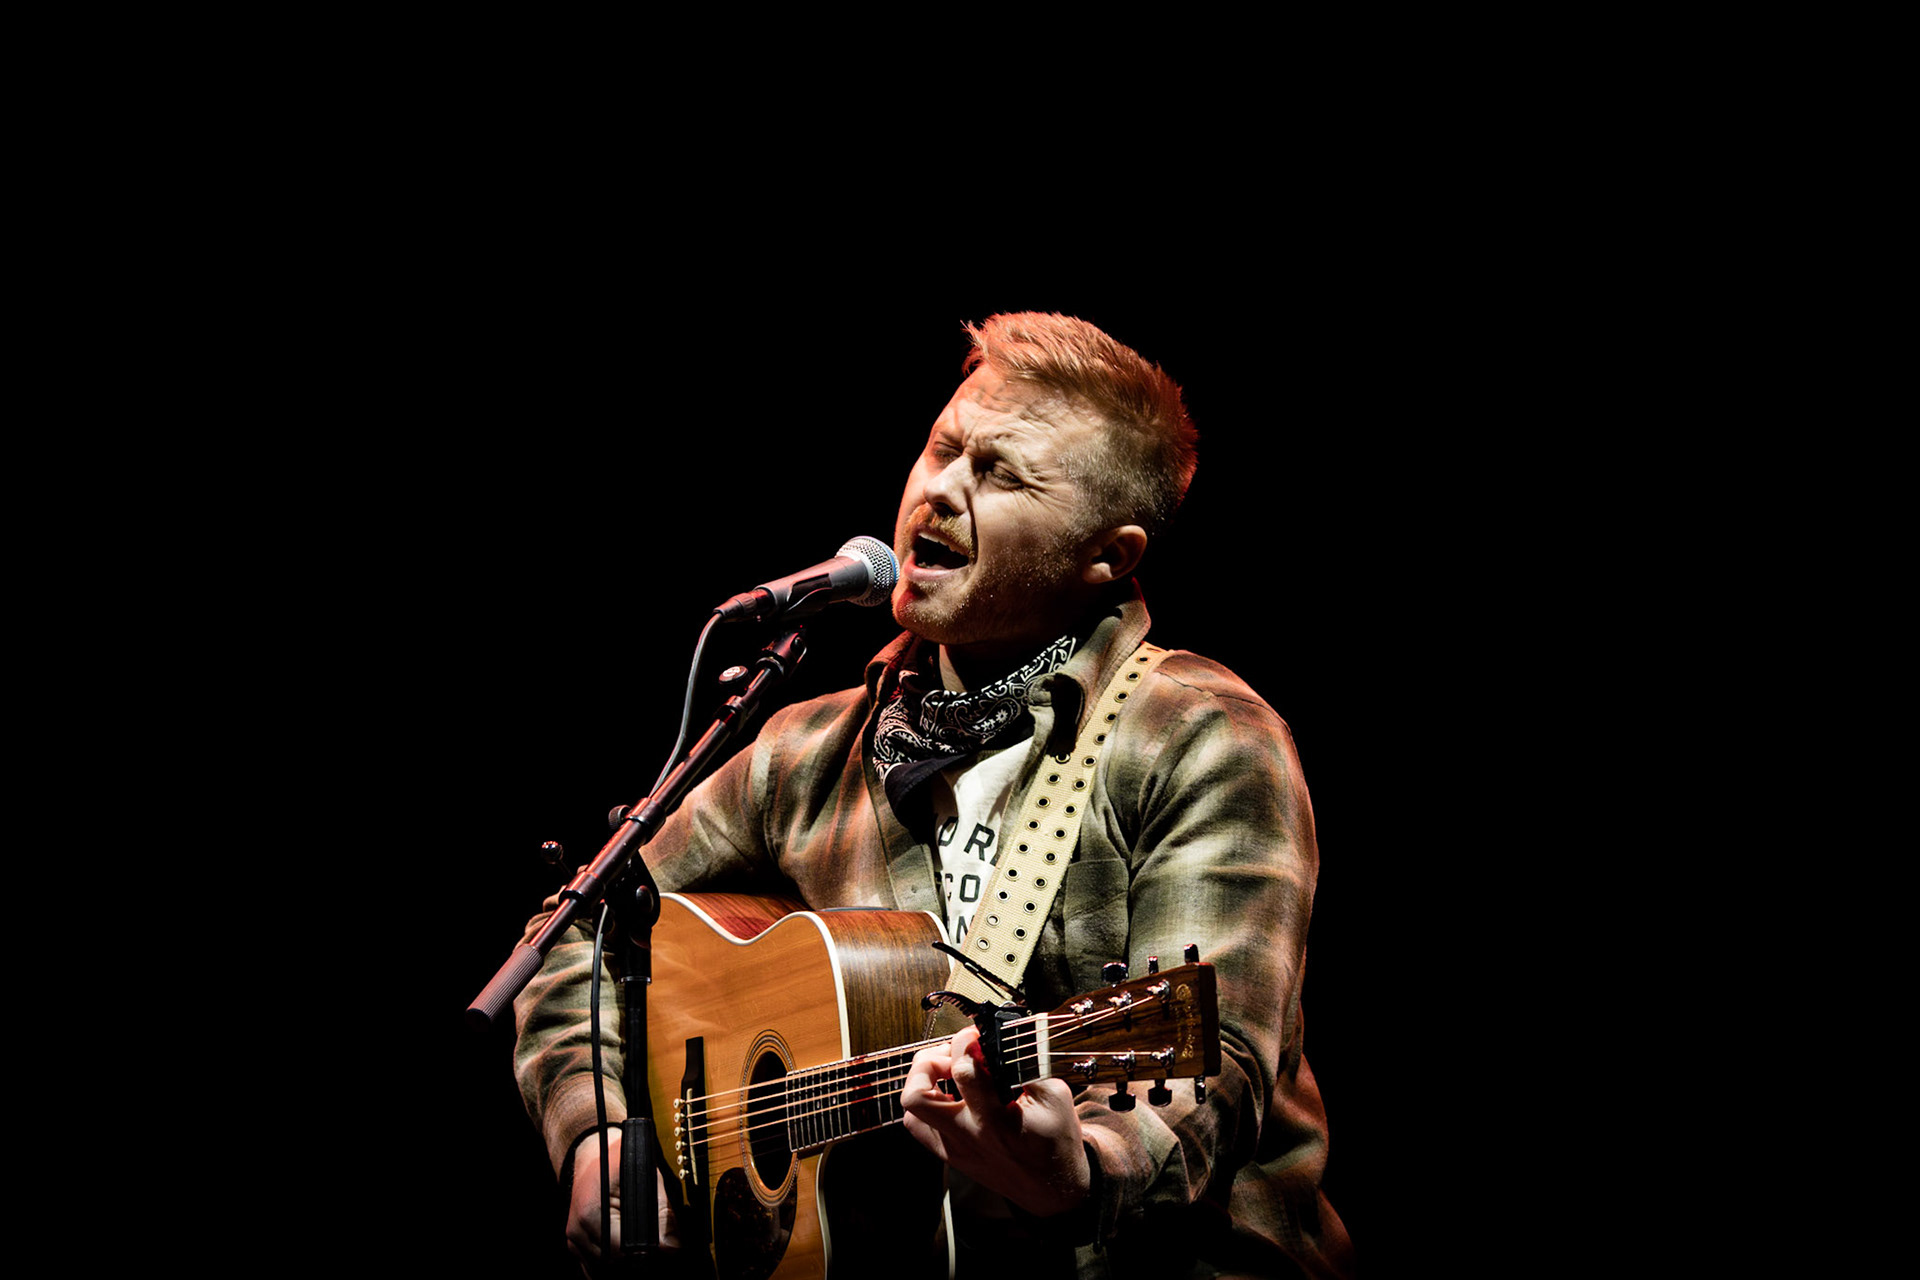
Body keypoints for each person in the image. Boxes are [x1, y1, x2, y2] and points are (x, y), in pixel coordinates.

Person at [513, 313, 1354, 1278]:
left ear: (1109, 555)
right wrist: (598, 1132)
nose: (941, 491)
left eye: (1001, 474)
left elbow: (1209, 1057)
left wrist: (1083, 1168)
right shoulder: (809, 748)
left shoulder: (1201, 736)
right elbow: (578, 932)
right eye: (943, 447)